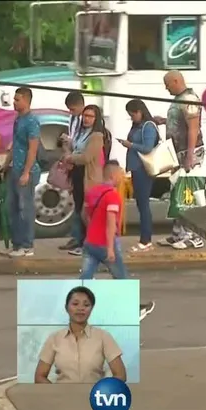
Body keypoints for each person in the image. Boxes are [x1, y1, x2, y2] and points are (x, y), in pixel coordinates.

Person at [80, 161, 157, 320]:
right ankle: (132, 310)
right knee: (121, 277)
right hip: (105, 243)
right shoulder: (113, 196)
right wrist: (109, 248)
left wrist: (92, 228)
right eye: (121, 174)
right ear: (113, 175)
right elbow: (110, 223)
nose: (123, 177)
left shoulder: (92, 192)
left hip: (90, 242)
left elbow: (84, 215)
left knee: (85, 278)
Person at [154, 70, 205, 250]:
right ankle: (178, 234)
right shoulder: (179, 99)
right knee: (177, 193)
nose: (166, 88)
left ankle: (194, 236)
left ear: (176, 81)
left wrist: (190, 155)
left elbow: (193, 128)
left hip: (188, 153)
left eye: (168, 84)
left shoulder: (190, 98)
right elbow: (180, 122)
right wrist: (164, 121)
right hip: (178, 153)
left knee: (187, 194)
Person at [34, 286, 127, 384]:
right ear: (66, 308)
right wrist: (56, 394)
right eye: (75, 304)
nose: (80, 308)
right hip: (62, 397)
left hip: (93, 396)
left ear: (91, 309)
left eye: (86, 305)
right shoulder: (54, 338)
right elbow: (39, 376)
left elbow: (121, 375)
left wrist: (102, 392)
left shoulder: (103, 336)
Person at [61, 104, 108, 256]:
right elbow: (76, 149)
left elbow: (87, 157)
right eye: (85, 116)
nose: (86, 119)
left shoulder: (97, 136)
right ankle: (81, 241)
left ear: (96, 119)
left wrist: (71, 157)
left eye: (90, 116)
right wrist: (68, 147)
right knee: (79, 208)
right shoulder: (81, 132)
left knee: (86, 212)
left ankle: (88, 245)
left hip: (88, 176)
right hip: (77, 174)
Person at [1, 87, 41, 258]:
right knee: (12, 207)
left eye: (17, 100)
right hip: (14, 169)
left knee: (25, 208)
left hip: (27, 171)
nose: (14, 103)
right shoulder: (18, 120)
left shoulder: (32, 121)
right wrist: (6, 164)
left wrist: (26, 172)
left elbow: (33, 148)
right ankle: (16, 244)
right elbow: (15, 144)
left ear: (26, 100)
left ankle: (27, 245)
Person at [119, 99, 160, 253]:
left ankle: (146, 240)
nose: (132, 117)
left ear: (141, 111)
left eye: (133, 114)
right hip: (136, 168)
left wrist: (131, 145)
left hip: (144, 169)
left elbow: (148, 148)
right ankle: (145, 238)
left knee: (143, 205)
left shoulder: (148, 127)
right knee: (140, 204)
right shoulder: (138, 126)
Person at [59, 91, 86, 252]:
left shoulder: (86, 119)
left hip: (82, 163)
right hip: (73, 161)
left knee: (83, 203)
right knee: (76, 201)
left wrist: (71, 141)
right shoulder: (73, 119)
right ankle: (76, 236)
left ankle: (82, 239)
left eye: (73, 109)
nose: (71, 112)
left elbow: (83, 141)